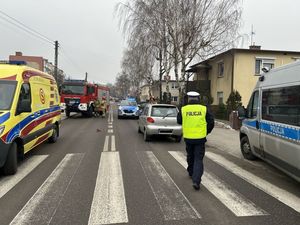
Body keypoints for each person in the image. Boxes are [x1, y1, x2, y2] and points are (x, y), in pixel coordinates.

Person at [177, 91, 214, 190]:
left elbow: (179, 121)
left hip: (188, 138)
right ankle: (196, 181)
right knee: (198, 159)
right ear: (198, 99)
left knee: (190, 155)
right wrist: (206, 132)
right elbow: (211, 122)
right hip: (200, 138)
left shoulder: (183, 109)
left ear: (188, 99)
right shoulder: (204, 109)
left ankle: (191, 172)